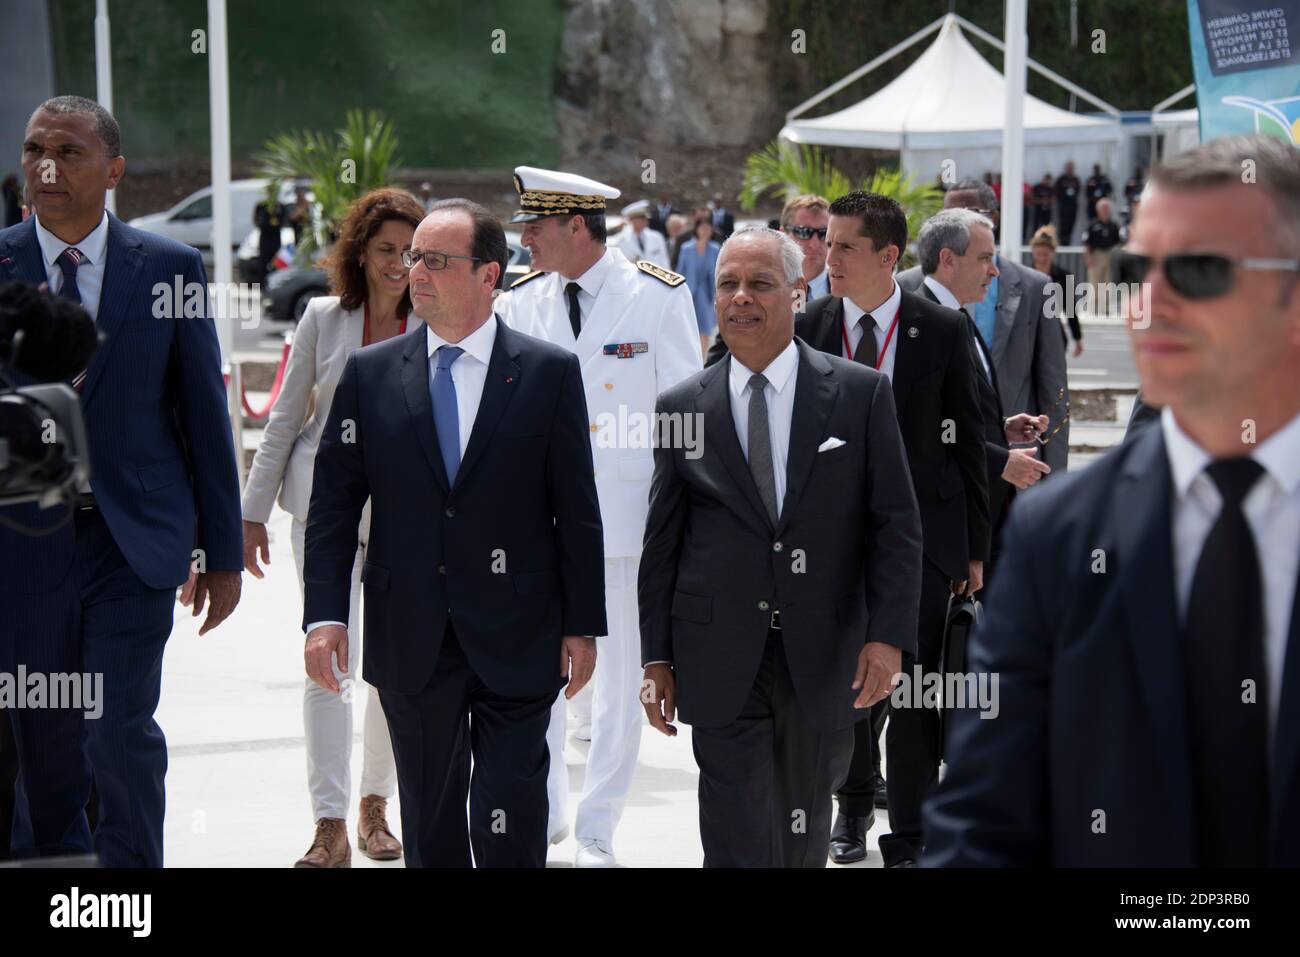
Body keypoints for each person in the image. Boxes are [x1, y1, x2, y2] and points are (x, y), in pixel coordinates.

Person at [925, 134, 1300, 867]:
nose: (1150, 304)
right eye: (1137, 270)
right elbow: (982, 823)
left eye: (1197, 269)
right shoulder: (1059, 535)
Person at [302, 198, 607, 867]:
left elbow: (576, 508)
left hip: (519, 631)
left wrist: (583, 624)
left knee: (512, 812)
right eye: (415, 257)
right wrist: (324, 615)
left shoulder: (548, 372)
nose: (416, 271)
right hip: (411, 632)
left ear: (489, 274)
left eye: (437, 260)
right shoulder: (371, 373)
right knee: (432, 818)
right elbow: (331, 507)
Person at [0, 95, 243, 866]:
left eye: (68, 152)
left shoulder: (170, 268)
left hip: (132, 542)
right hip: (20, 547)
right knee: (43, 737)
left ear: (113, 169)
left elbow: (204, 413)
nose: (46, 166)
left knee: (117, 727)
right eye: (36, 148)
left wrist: (224, 550)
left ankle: (128, 889)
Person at [640, 226, 924, 867]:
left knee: (800, 833)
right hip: (717, 658)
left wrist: (888, 637)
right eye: (728, 285)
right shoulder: (682, 406)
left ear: (799, 293)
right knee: (734, 828)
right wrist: (655, 658)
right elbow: (664, 542)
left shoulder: (858, 394)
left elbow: (895, 525)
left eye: (761, 283)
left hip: (822, 655)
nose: (741, 298)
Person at [496, 166, 701, 866]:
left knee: (618, 682)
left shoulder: (656, 296)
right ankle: (550, 803)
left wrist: (681, 517)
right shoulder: (519, 301)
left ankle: (598, 827)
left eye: (535, 226)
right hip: (538, 521)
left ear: (575, 227)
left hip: (623, 522)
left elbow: (683, 416)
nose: (523, 238)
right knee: (539, 670)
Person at [242, 188, 424, 867]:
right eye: (385, 250)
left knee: (388, 668)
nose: (400, 263)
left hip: (407, 520)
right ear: (360, 252)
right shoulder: (324, 316)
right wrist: (251, 511)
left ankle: (375, 806)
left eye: (412, 251)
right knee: (327, 663)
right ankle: (329, 824)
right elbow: (285, 418)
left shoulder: (434, 320)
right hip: (322, 515)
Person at [900, 177, 1071, 477]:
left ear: (993, 218)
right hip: (939, 477)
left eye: (972, 213)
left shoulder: (1037, 287)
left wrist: (1055, 477)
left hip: (1018, 467)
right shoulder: (903, 288)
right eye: (950, 216)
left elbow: (1052, 384)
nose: (961, 222)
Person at [916, 209, 1050, 584]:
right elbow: (925, 429)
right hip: (949, 527)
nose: (994, 271)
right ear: (947, 260)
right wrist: (999, 461)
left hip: (982, 518)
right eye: (985, 258)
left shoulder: (957, 317)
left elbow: (955, 416)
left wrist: (1001, 429)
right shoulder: (924, 324)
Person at [1030, 225, 1083, 356]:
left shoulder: (1063, 276)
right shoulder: (1024, 275)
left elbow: (1070, 311)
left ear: (1053, 252)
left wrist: (1077, 338)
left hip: (1054, 334)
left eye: (1045, 254)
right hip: (1029, 335)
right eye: (1038, 254)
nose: (1042, 259)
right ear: (1033, 252)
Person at [676, 216, 722, 357]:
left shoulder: (715, 248)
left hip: (707, 294)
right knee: (688, 327)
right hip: (689, 292)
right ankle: (690, 356)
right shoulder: (686, 248)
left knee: (705, 329)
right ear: (696, 229)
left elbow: (719, 272)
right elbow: (680, 270)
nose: (704, 231)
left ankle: (702, 358)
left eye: (707, 228)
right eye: (702, 228)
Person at [779, 193, 830, 300]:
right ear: (783, 235)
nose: (814, 244)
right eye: (804, 232)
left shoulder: (849, 294)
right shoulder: (763, 289)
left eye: (823, 233)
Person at [1084, 197, 1122, 315]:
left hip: (1109, 254)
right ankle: (1093, 308)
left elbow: (1118, 243)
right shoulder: (1092, 225)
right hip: (1096, 255)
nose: (1105, 211)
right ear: (1098, 210)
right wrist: (1088, 259)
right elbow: (1086, 244)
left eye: (1107, 208)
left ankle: (1105, 308)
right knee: (1094, 282)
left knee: (1107, 283)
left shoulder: (1114, 226)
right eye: (1103, 208)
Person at [616, 200, 670, 268]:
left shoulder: (657, 237)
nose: (646, 220)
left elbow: (664, 261)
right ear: (632, 220)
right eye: (641, 218)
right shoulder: (621, 240)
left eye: (646, 218)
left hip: (654, 278)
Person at [254, 192, 288, 281]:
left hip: (275, 238)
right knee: (263, 262)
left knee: (276, 262)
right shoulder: (261, 205)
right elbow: (256, 220)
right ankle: (262, 283)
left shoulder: (280, 206)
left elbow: (284, 221)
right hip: (265, 238)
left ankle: (275, 282)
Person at [1054, 161, 1081, 244]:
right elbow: (1056, 191)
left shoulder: (1076, 179)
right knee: (1063, 226)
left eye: (1071, 168)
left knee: (1071, 225)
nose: (1069, 169)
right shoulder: (1061, 179)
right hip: (1063, 206)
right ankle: (1061, 243)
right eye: (1068, 168)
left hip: (1073, 206)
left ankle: (1068, 242)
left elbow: (1078, 191)